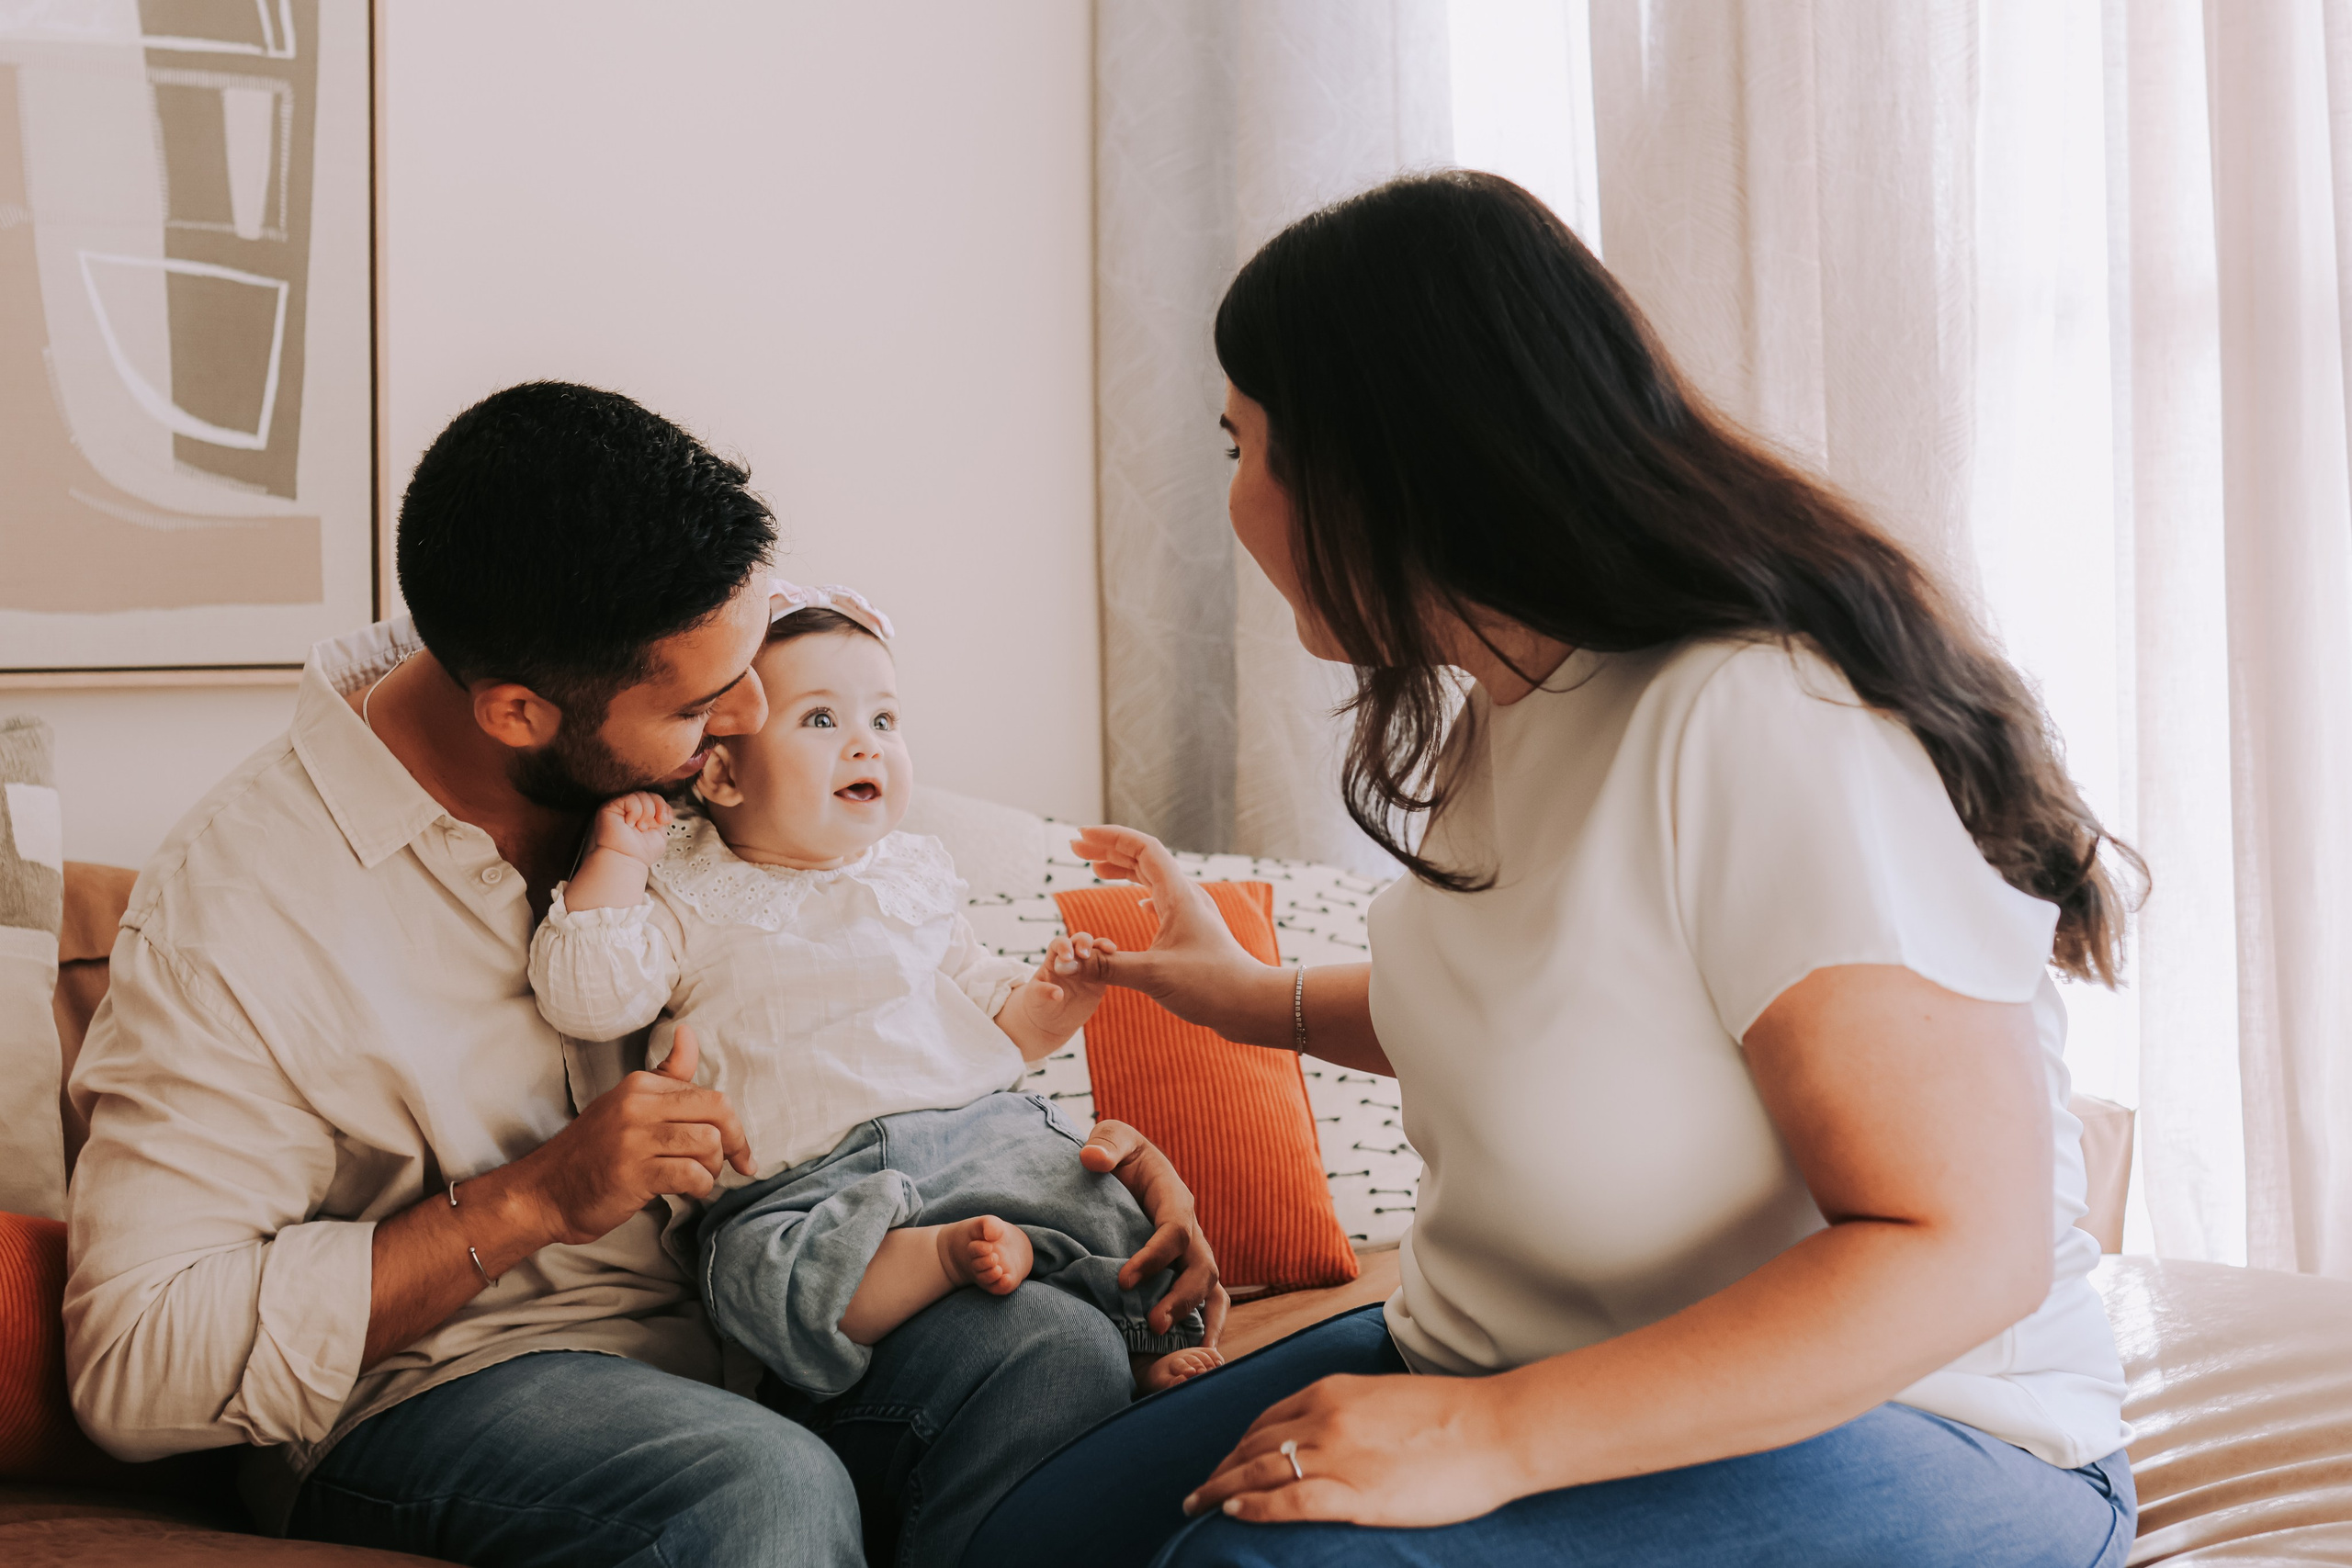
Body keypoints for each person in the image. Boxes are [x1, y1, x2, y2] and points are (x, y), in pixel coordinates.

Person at [966, 173, 2142, 1567]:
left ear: (1377, 463)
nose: (1236, 500)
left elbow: (1962, 1243)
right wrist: (1247, 997)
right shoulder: (1512, 700)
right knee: (1021, 1542)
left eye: (1244, 445)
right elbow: (1549, 1014)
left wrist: (1491, 1436)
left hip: (1925, 1415)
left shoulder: (1760, 717)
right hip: (1507, 1353)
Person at [62, 381, 1222, 1568]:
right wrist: (535, 1198)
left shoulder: (667, 728)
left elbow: (862, 1009)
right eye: (708, 705)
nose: (756, 719)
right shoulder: (241, 904)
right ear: (519, 711)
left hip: (774, 1315)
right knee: (757, 1486)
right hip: (462, 1383)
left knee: (1049, 1348)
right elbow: (135, 1357)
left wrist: (1061, 1183)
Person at [526, 583, 1223, 1397]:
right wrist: (618, 858)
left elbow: (995, 1014)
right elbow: (589, 999)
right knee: (757, 1272)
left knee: (1087, 1186)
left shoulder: (912, 874)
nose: (866, 746)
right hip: (807, 1181)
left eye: (884, 721)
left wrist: (1055, 996)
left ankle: (1136, 1340)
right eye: (822, 720)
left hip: (973, 1135)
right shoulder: (687, 884)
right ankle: (936, 1258)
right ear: (719, 771)